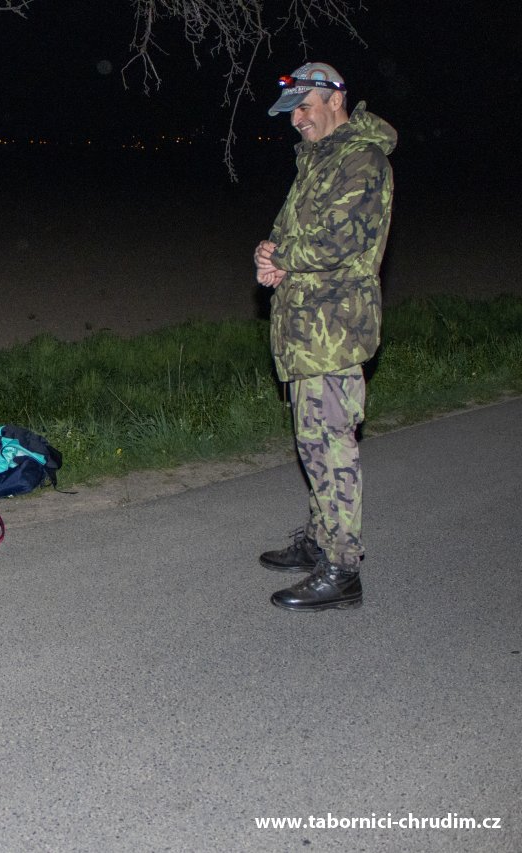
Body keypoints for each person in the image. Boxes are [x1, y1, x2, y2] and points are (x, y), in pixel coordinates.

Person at [252, 62, 396, 611]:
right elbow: (288, 232)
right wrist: (267, 254)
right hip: (303, 329)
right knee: (313, 442)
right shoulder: (317, 161)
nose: (297, 120)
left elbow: (340, 239)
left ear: (337, 99)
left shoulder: (363, 160)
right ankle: (319, 539)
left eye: (305, 107)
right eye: (291, 112)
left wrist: (283, 257)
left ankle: (342, 569)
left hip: (334, 329)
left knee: (332, 447)